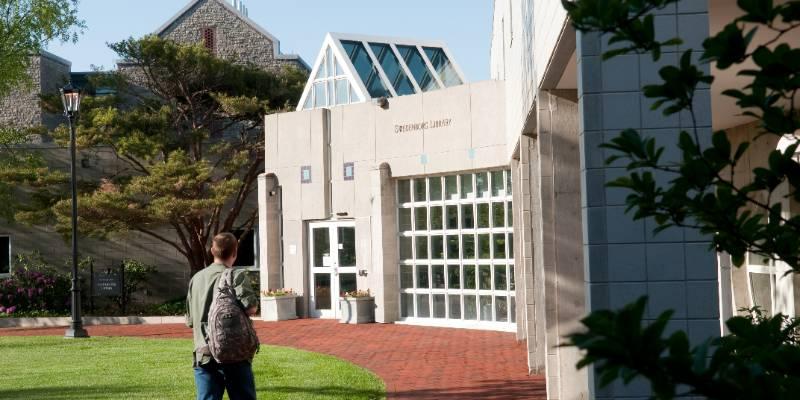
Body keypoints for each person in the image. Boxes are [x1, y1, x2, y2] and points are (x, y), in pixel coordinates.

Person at [186, 232, 259, 400]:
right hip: (233, 352)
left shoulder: (196, 278)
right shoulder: (236, 275)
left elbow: (190, 321)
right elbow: (251, 308)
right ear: (235, 252)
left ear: (212, 251)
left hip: (203, 352)